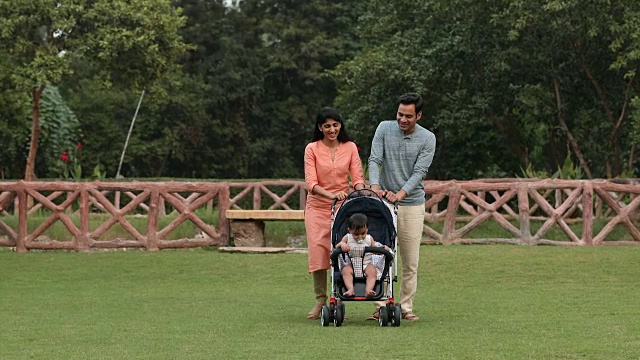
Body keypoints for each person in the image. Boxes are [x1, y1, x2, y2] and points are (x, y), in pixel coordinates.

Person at [367, 93, 436, 322]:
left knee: (409, 259)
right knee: (379, 255)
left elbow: (419, 172)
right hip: (383, 201)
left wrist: (401, 194)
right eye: (399, 114)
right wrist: (375, 187)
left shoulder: (428, 138)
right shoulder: (384, 129)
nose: (402, 120)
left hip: (412, 203)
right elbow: (375, 159)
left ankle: (406, 306)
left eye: (408, 116)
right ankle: (380, 304)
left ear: (418, 115)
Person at [304, 107, 365, 320]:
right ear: (320, 127)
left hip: (342, 207)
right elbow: (311, 183)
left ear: (341, 126)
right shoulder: (312, 148)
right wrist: (331, 194)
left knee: (341, 250)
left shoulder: (349, 147)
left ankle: (337, 299)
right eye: (327, 126)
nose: (332, 129)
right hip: (317, 207)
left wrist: (360, 190)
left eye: (335, 125)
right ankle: (321, 300)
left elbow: (357, 176)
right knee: (318, 253)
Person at [335, 213, 390, 297]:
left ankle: (368, 289)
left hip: (366, 264)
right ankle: (350, 289)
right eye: (356, 234)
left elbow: (374, 249)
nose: (360, 236)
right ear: (349, 230)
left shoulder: (369, 238)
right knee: (345, 271)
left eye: (363, 233)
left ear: (367, 229)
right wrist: (343, 244)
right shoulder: (347, 237)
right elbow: (338, 245)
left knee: (372, 272)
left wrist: (382, 249)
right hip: (352, 264)